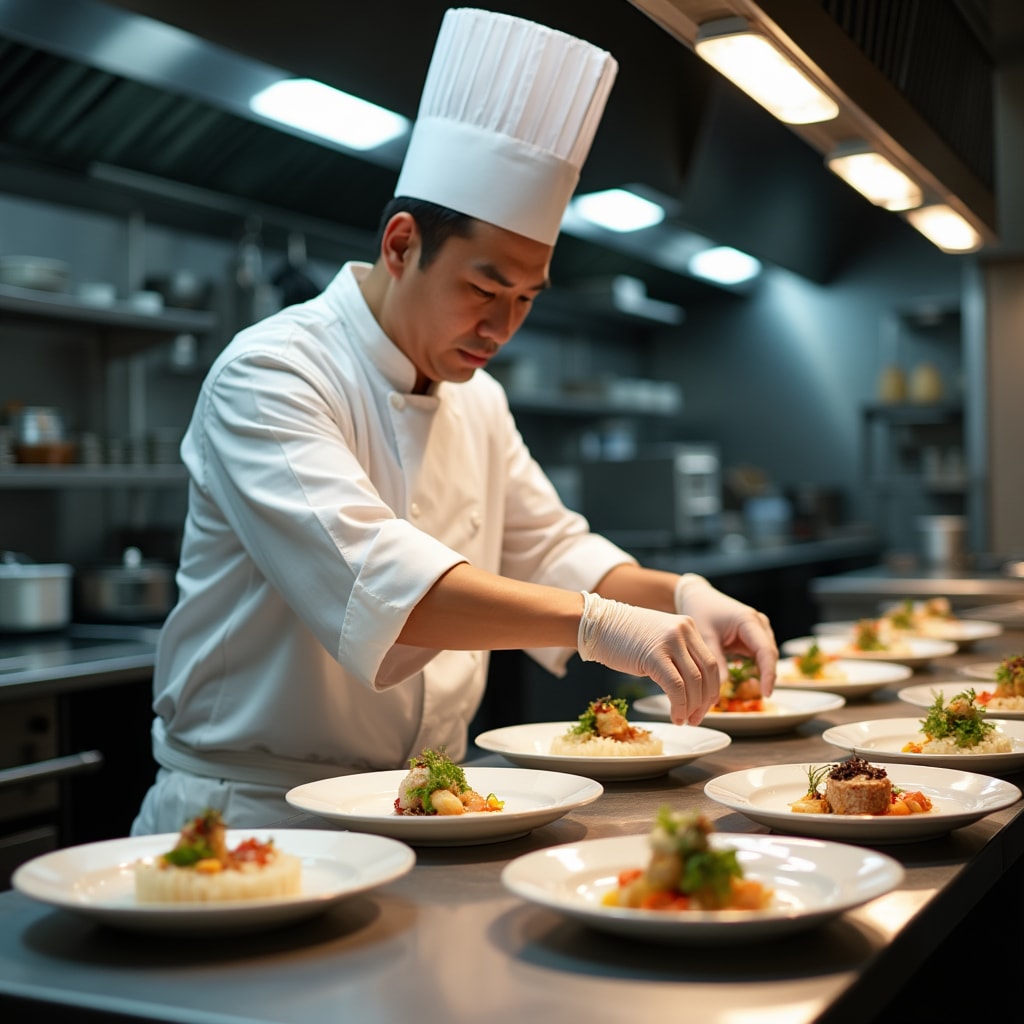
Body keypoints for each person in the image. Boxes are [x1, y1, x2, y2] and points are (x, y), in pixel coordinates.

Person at [131, 7, 777, 834]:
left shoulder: (476, 395)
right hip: (252, 816)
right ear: (401, 246)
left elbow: (550, 551)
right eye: (483, 290)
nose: (502, 329)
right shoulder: (272, 372)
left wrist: (682, 597)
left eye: (525, 301)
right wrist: (595, 625)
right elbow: (382, 584)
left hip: (431, 803)